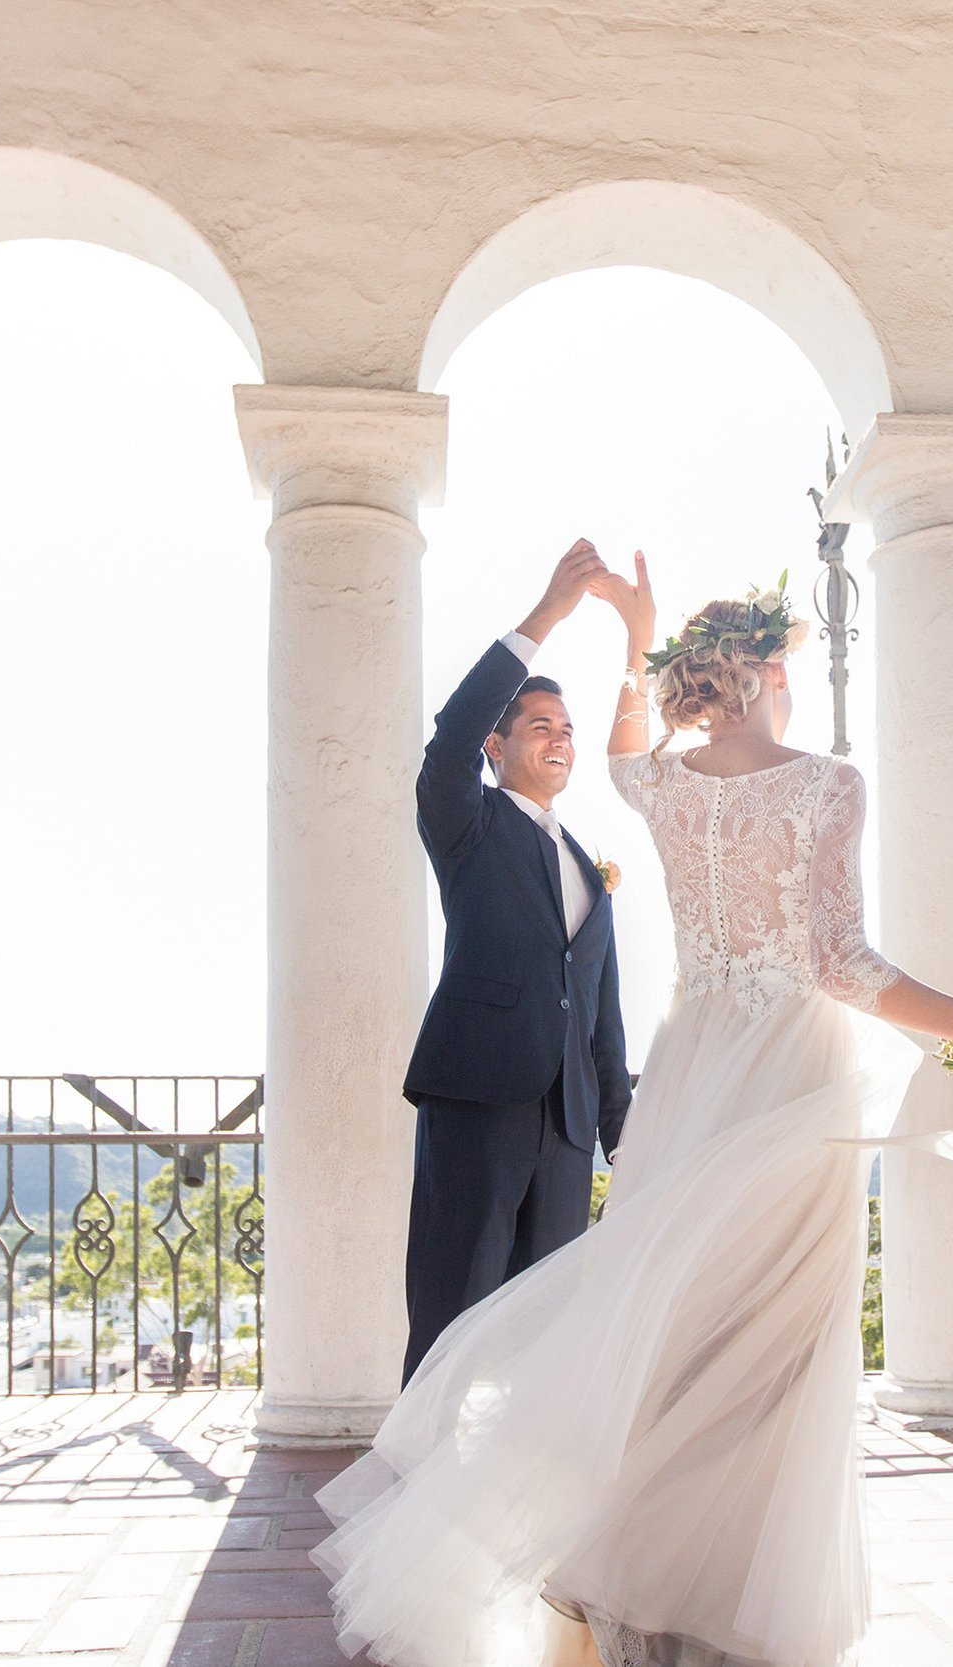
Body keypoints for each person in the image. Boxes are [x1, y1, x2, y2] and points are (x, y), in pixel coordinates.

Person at [316, 550, 953, 1667]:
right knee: (771, 1350)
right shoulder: (826, 783)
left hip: (685, 1079)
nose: (795, 681)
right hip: (786, 1081)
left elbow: (619, 753)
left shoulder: (657, 791)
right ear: (755, 673)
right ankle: (720, 1589)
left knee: (662, 1342)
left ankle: (618, 1585)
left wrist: (632, 633)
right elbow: (841, 961)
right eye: (785, 662)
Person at [397, 540, 632, 1382]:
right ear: (498, 747)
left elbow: (603, 1021)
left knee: (549, 1341)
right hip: (480, 1101)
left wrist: (621, 1137)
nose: (560, 740)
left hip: (567, 1132)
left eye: (567, 729)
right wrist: (546, 616)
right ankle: (419, 1494)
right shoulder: (467, 825)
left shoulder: (590, 871)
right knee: (452, 1321)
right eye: (540, 726)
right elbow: (449, 734)